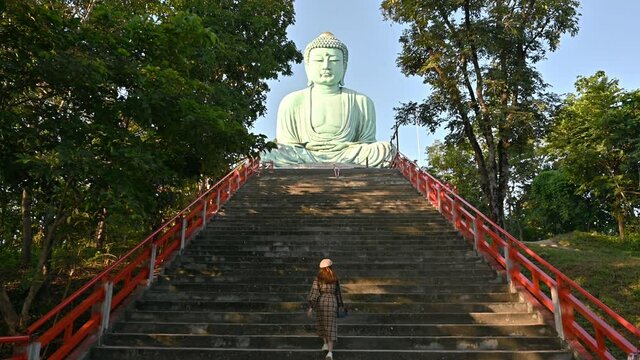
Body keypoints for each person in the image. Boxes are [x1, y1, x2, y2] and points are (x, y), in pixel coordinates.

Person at [261, 32, 396, 168]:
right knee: (267, 151)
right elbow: (287, 143)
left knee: (385, 150)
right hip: (304, 155)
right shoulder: (291, 101)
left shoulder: (361, 101)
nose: (326, 65)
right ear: (307, 66)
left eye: (334, 60)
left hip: (348, 155)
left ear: (344, 66)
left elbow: (367, 142)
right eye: (319, 60)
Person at [307, 258, 344, 360]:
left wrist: (310, 307)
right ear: (331, 267)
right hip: (332, 301)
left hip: (322, 301)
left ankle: (325, 344)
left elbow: (314, 293)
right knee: (331, 325)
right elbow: (338, 293)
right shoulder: (335, 277)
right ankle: (330, 353)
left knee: (322, 323)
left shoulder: (319, 278)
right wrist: (340, 305)